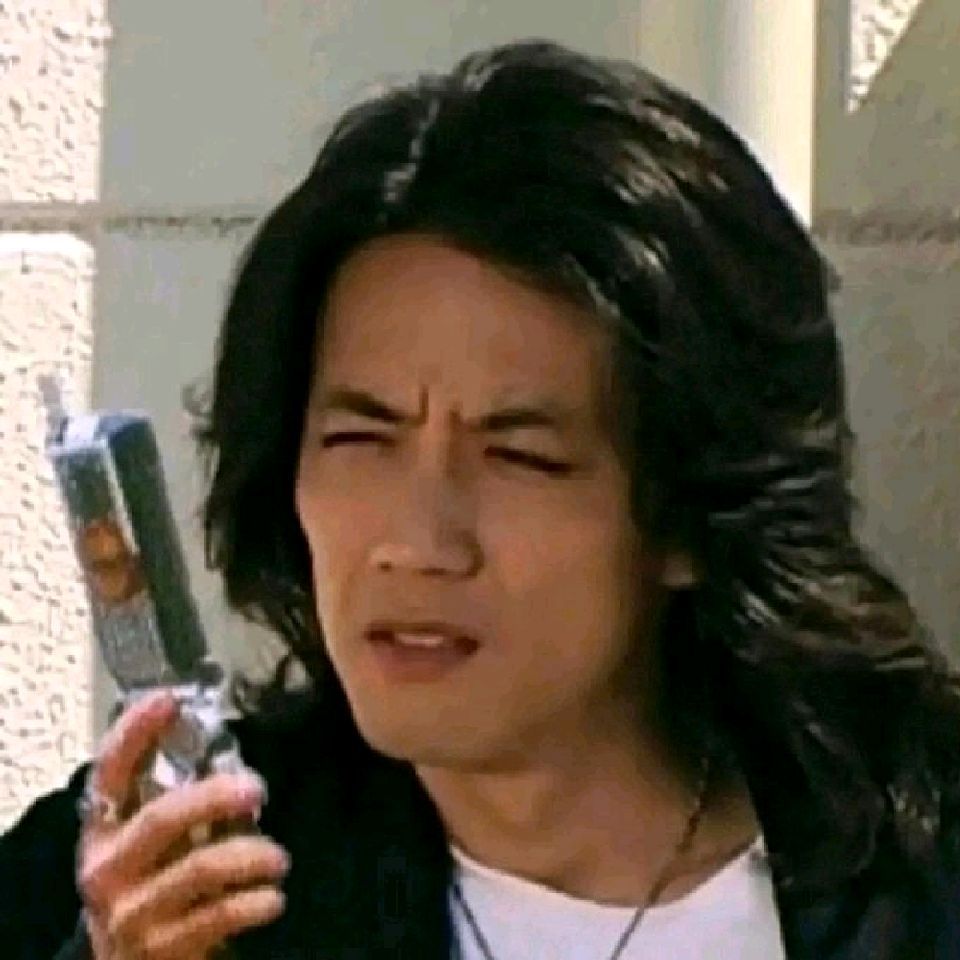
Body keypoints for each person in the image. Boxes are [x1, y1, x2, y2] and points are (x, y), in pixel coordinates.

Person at [2, 38, 959, 960]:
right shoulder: (149, 892)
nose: (418, 542)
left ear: (689, 513)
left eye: (519, 456)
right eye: (360, 439)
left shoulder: (916, 874)